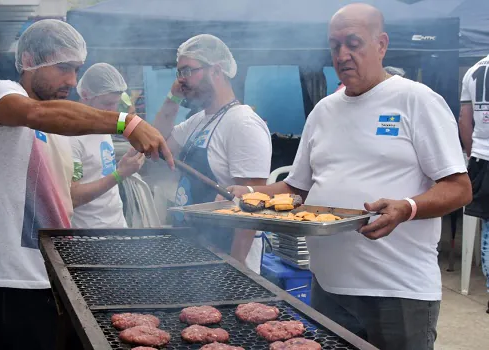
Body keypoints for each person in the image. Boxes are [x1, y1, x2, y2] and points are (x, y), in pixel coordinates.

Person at [226, 4, 471, 349]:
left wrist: (407, 208)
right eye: (334, 45)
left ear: (381, 44)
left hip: (397, 291)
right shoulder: (324, 110)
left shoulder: (417, 101)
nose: (342, 54)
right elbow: (297, 187)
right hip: (327, 287)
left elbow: (459, 188)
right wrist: (251, 191)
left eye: (354, 43)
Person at [0, 19, 173, 350]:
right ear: (29, 61)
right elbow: (35, 113)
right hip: (12, 285)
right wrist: (127, 120)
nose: (73, 80)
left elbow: (67, 200)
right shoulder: (0, 95)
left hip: (61, 279)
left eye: (77, 69)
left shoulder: (60, 135)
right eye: (64, 68)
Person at [153, 34, 272, 273]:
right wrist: (172, 97)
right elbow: (155, 146)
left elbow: (252, 206)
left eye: (188, 71)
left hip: (223, 258)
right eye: (179, 73)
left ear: (216, 71)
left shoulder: (243, 123)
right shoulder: (198, 121)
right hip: (192, 250)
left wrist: (236, 271)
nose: (182, 80)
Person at [71, 63, 145, 228]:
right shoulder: (71, 137)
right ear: (85, 95)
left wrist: (125, 160)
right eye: (107, 103)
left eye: (116, 104)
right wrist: (120, 174)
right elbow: (73, 197)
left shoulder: (104, 122)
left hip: (118, 226)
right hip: (89, 236)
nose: (113, 111)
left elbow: (127, 126)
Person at [458, 53, 489, 313]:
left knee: (488, 232)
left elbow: (464, 120)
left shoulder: (474, 70)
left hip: (482, 157)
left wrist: (472, 153)